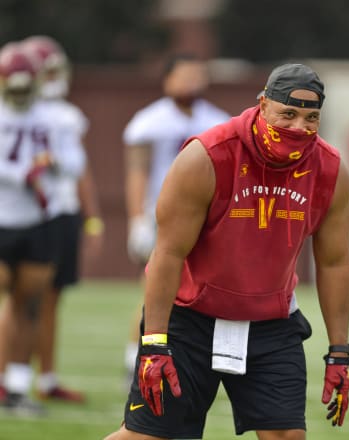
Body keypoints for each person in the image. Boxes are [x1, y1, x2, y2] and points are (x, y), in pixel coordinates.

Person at [104, 63, 349, 440]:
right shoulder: (207, 155)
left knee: (288, 436)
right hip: (191, 319)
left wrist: (339, 351)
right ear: (263, 105)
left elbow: (334, 262)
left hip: (271, 322)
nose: (299, 127)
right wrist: (155, 341)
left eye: (311, 117)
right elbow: (167, 254)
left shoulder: (330, 168)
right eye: (288, 113)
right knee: (146, 436)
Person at [122, 54, 230, 379]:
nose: (190, 83)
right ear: (167, 80)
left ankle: (198, 358)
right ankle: (134, 357)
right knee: (155, 287)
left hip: (207, 217)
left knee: (206, 289)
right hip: (163, 215)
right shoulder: (149, 121)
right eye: (184, 76)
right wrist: (137, 218)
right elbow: (137, 172)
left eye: (196, 76)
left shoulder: (218, 119)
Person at [21, 34, 103, 403]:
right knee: (21, 298)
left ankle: (46, 378)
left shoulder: (66, 116)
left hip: (62, 213)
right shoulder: (15, 114)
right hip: (26, 216)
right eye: (47, 71)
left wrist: (92, 218)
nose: (54, 78)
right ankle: (13, 375)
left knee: (52, 299)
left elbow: (79, 170)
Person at [0, 42, 62, 414]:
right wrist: (19, 174)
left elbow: (73, 163)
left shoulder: (55, 117)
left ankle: (18, 385)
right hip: (2, 219)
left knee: (31, 304)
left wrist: (50, 167)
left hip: (39, 221)